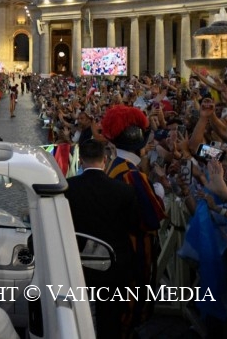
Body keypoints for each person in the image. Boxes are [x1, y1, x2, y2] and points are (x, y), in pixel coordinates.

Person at [101, 105, 166, 334]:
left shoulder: (113, 166)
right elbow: (152, 217)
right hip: (134, 250)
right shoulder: (133, 174)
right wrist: (159, 187)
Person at [65, 139, 139, 339]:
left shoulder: (67, 188)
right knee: (110, 320)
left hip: (76, 261)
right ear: (104, 160)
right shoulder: (124, 190)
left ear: (80, 161)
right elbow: (133, 228)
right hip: (113, 264)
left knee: (72, 316)